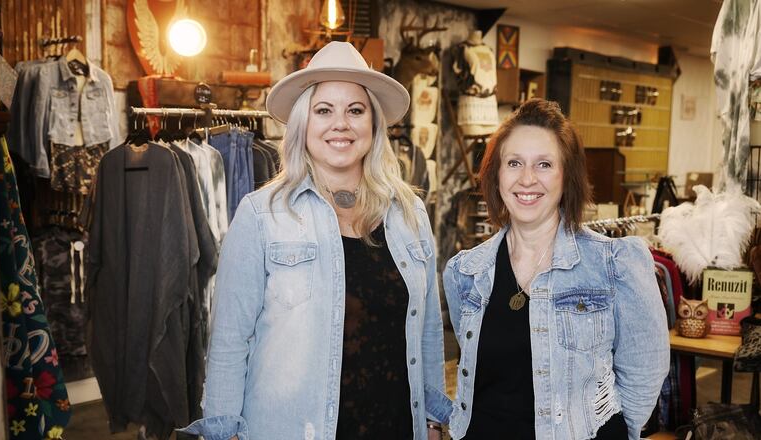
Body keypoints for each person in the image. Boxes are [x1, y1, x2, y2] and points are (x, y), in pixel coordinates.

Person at [179, 41, 450, 440]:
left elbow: (427, 329)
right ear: (304, 124)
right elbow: (229, 341)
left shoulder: (409, 212)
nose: (340, 123)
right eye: (324, 110)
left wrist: (432, 413)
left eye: (355, 110)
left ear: (373, 125)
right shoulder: (261, 215)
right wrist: (222, 428)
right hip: (292, 428)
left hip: (393, 424)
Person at [443, 99, 669, 440]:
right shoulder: (466, 273)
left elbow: (646, 370)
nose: (527, 179)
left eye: (544, 164)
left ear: (567, 176)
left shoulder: (613, 264)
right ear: (497, 174)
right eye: (514, 163)